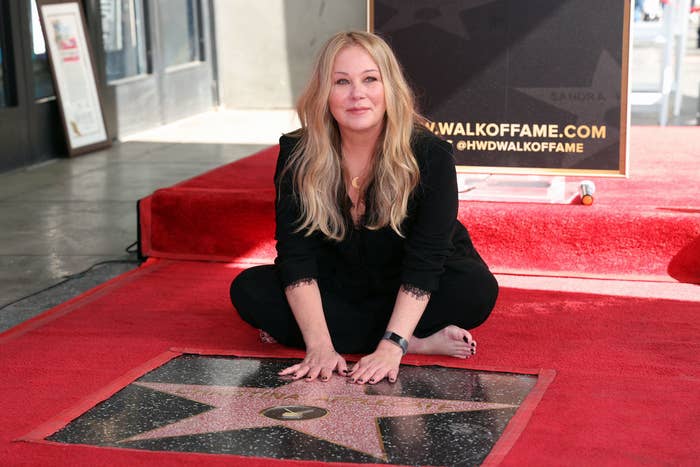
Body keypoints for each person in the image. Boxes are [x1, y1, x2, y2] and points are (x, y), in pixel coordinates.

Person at [230, 30, 498, 386]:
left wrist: (391, 346)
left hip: (412, 277)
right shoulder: (297, 152)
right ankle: (414, 342)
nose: (357, 94)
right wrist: (319, 346)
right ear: (324, 92)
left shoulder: (431, 154)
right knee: (249, 290)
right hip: (339, 278)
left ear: (390, 87)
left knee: (476, 291)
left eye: (370, 79)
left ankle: (394, 338)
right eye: (342, 82)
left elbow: (427, 259)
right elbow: (295, 255)